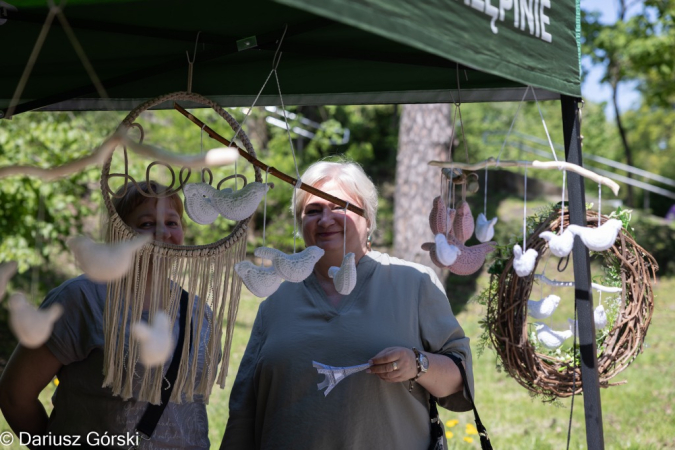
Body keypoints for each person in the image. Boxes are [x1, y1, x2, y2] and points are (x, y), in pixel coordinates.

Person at [221, 160, 474, 449]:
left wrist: (419, 364)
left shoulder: (413, 283)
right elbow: (244, 410)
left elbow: (460, 380)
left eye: (340, 207)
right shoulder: (277, 297)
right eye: (312, 211)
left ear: (368, 218)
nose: (325, 220)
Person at [0, 181, 211, 449]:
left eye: (172, 222)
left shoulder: (197, 311)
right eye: (146, 224)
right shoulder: (82, 299)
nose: (163, 233)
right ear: (118, 234)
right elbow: (14, 396)